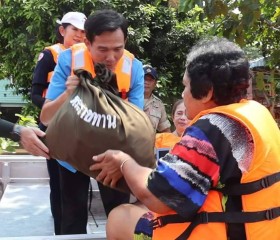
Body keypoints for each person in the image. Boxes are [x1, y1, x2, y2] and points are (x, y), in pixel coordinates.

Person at [90, 37, 280, 240]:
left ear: (206, 92)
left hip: (228, 233)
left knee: (120, 217)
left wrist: (123, 162)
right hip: (264, 231)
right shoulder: (257, 113)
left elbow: (158, 197)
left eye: (186, 87)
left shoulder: (213, 128)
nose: (183, 93)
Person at [40, 9, 144, 234]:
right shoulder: (68, 60)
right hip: (73, 156)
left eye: (118, 49)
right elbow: (46, 117)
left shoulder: (134, 68)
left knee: (121, 216)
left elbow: (137, 127)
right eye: (102, 49)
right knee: (71, 219)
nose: (111, 58)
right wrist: (68, 94)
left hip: (113, 158)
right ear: (87, 42)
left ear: (125, 41)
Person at [31, 11, 86, 235]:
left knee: (75, 183)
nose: (79, 35)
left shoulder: (88, 56)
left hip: (81, 127)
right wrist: (56, 108)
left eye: (83, 32)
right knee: (58, 182)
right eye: (75, 30)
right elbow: (35, 94)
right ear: (63, 31)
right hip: (52, 127)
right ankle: (60, 232)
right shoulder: (50, 55)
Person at [143, 65, 171, 133]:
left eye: (150, 80)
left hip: (149, 142)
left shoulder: (159, 104)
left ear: (155, 84)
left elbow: (165, 130)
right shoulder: (128, 98)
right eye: (144, 78)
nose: (146, 82)